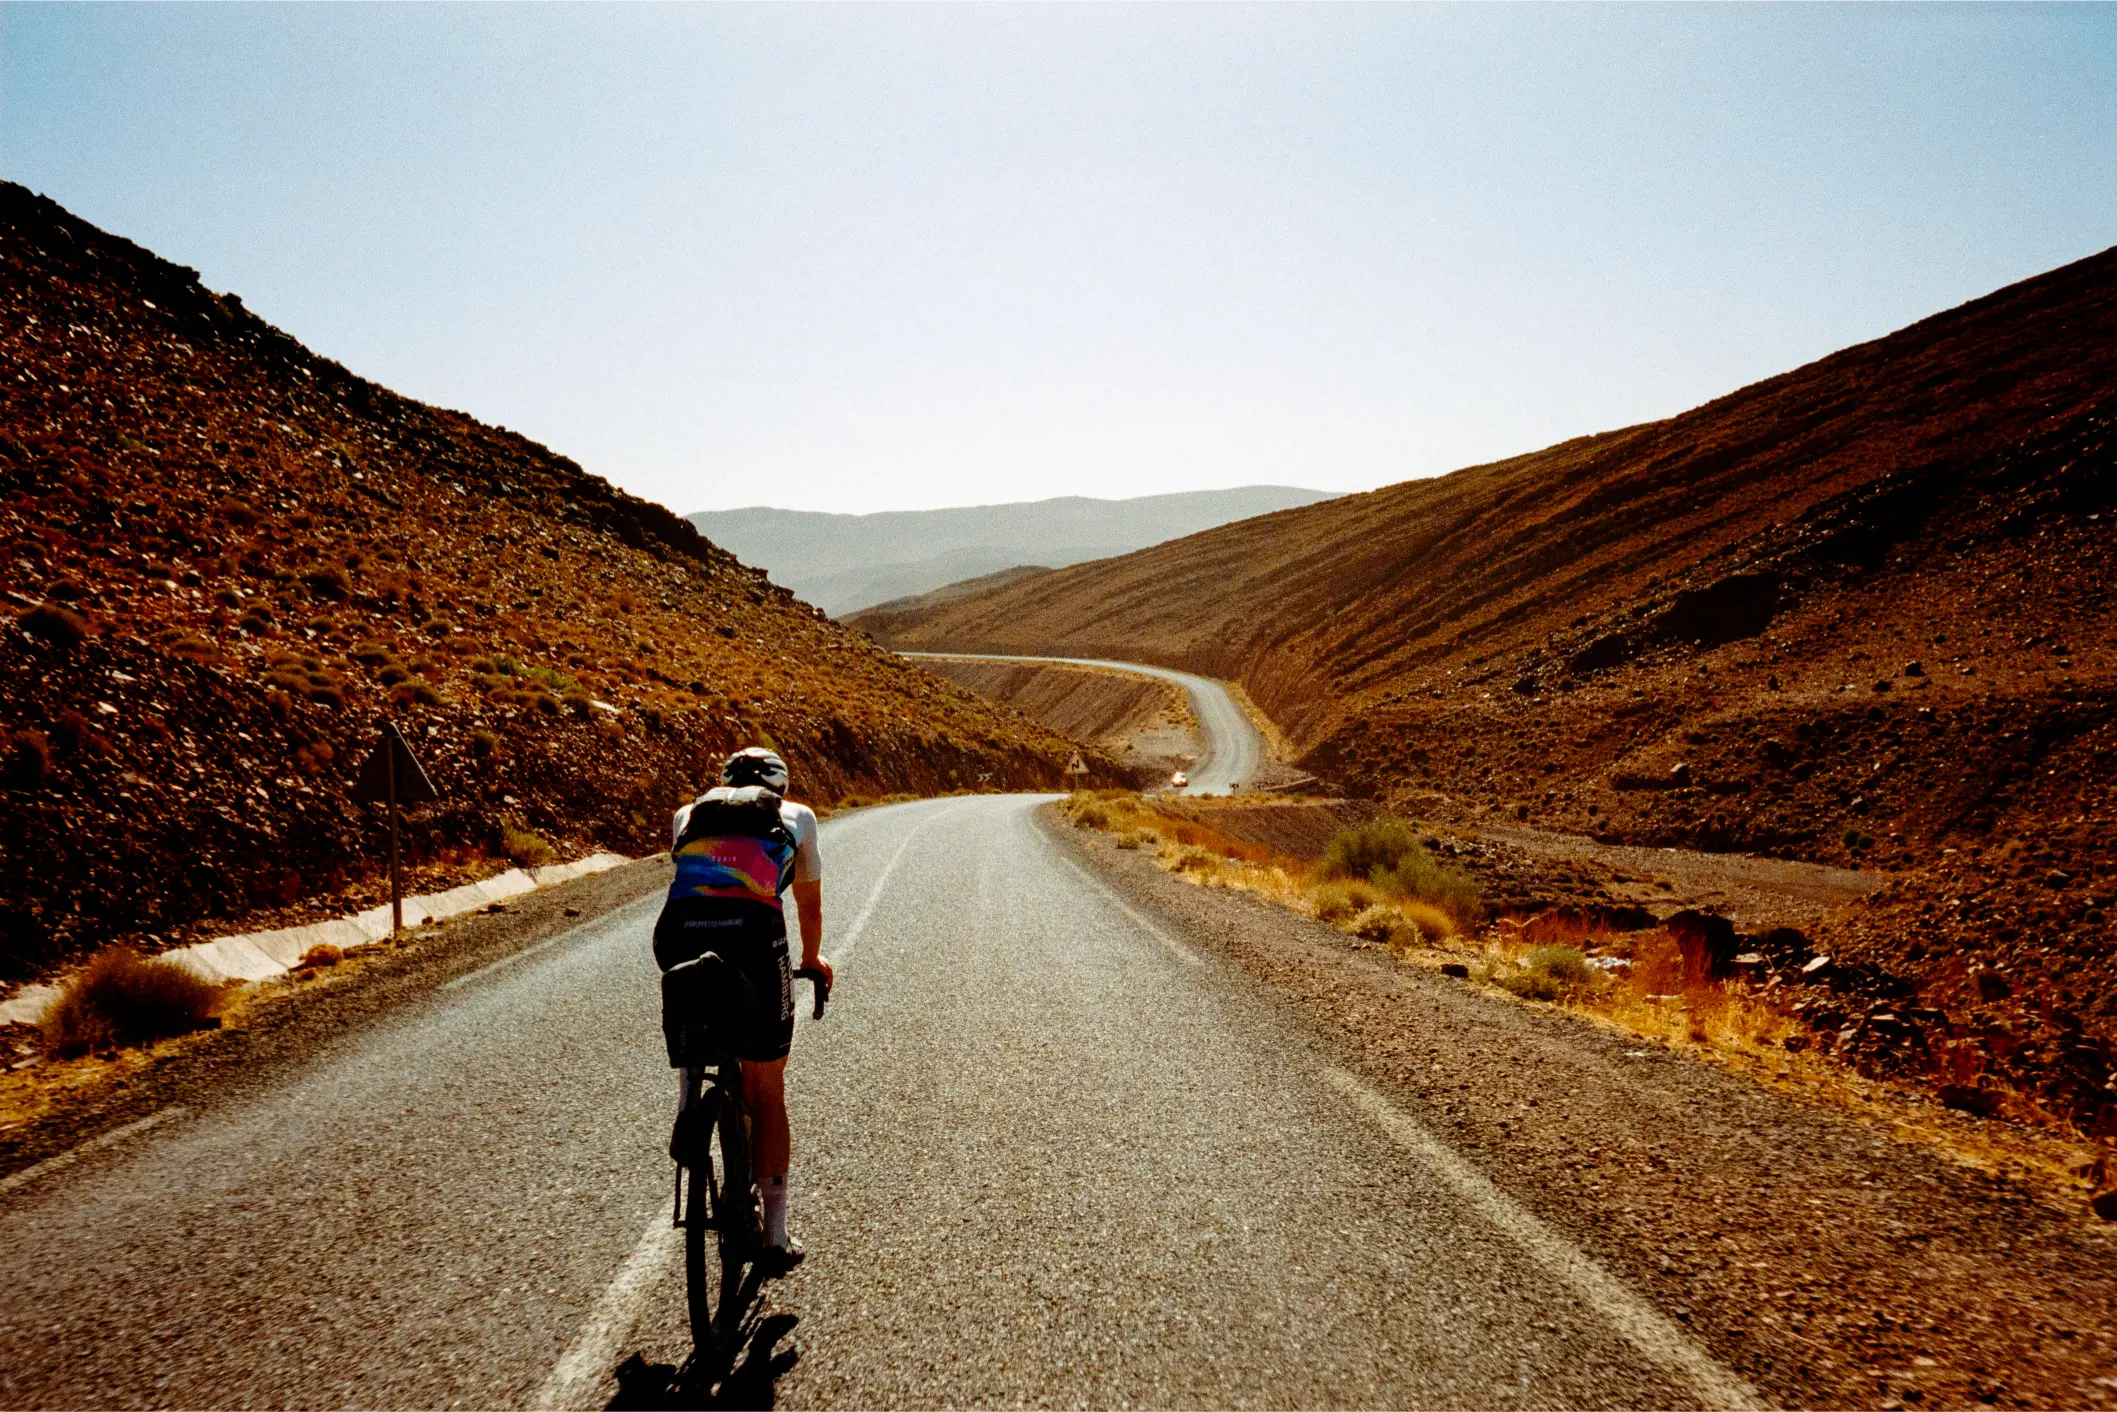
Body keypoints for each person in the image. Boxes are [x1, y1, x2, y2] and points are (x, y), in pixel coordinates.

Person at [667, 746, 832, 1271]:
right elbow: (808, 903)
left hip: (677, 934)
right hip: (754, 942)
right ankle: (777, 1235)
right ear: (779, 787)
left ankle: (690, 1097)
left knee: (698, 1034)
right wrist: (811, 958)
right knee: (766, 1089)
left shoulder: (688, 814)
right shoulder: (797, 816)